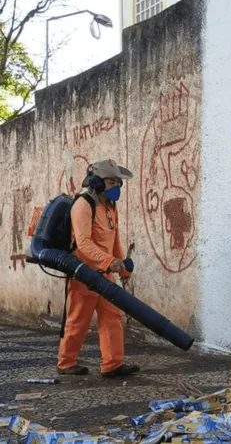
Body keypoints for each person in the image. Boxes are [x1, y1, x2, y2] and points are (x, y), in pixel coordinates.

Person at [57, 158, 140, 377]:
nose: (118, 186)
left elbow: (115, 241)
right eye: (113, 182)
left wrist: (122, 268)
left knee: (112, 315)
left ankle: (112, 364)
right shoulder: (83, 204)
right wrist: (108, 262)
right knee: (78, 318)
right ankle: (66, 363)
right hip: (84, 273)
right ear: (98, 182)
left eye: (118, 182)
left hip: (105, 273)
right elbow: (83, 243)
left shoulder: (110, 207)